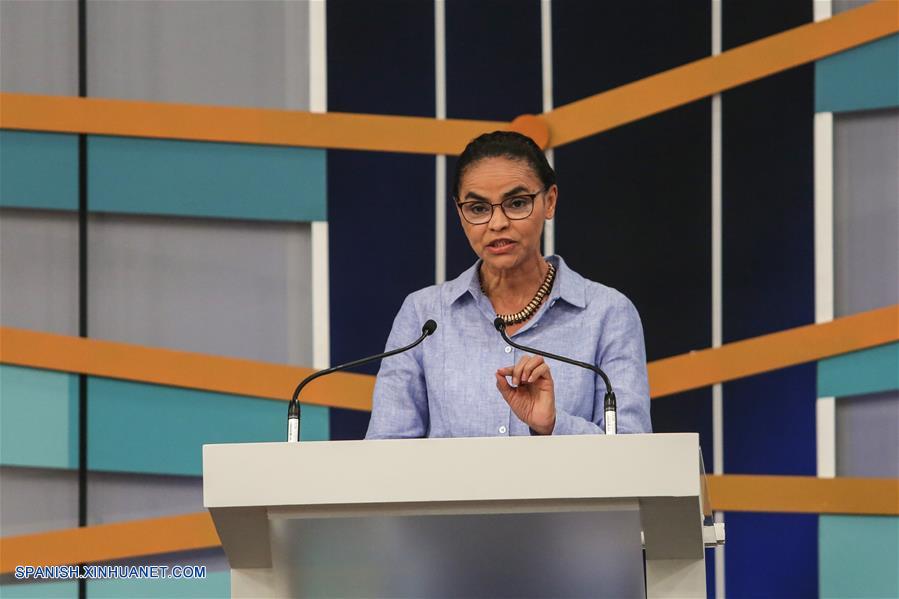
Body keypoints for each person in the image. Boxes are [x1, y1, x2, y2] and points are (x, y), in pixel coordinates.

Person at [365, 131, 651, 439]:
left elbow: (632, 453)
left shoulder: (607, 313)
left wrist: (554, 425)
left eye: (516, 203)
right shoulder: (424, 316)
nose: (497, 223)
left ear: (550, 201)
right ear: (459, 213)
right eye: (477, 208)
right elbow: (387, 452)